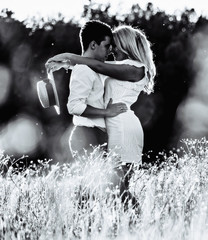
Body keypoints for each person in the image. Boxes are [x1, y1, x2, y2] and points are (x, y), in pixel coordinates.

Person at [46, 25, 156, 205]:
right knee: (107, 187)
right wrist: (65, 63)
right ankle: (116, 225)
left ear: (124, 46)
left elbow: (96, 65)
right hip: (111, 126)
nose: (111, 49)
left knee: (118, 189)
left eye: (114, 45)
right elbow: (92, 65)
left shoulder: (136, 68)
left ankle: (142, 224)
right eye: (110, 45)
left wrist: (69, 56)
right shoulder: (120, 66)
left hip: (122, 126)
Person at [47, 20, 144, 158]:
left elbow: (100, 67)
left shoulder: (94, 68)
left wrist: (66, 63)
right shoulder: (84, 70)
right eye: (107, 46)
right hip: (87, 134)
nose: (110, 51)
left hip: (94, 134)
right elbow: (74, 106)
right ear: (93, 44)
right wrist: (107, 112)